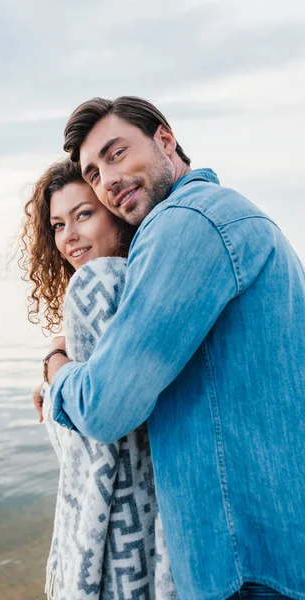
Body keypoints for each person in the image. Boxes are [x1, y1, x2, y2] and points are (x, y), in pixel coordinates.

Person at [42, 97, 305, 600]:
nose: (108, 180)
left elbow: (104, 406)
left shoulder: (187, 223)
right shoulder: (235, 217)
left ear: (165, 139)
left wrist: (57, 369)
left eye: (116, 154)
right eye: (94, 174)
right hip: (273, 550)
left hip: (242, 567)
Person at [20, 158, 176, 599]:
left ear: (116, 214)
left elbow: (99, 421)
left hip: (111, 537)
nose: (68, 236)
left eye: (83, 215)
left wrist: (54, 359)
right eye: (57, 224)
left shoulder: (96, 283)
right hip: (158, 527)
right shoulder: (144, 286)